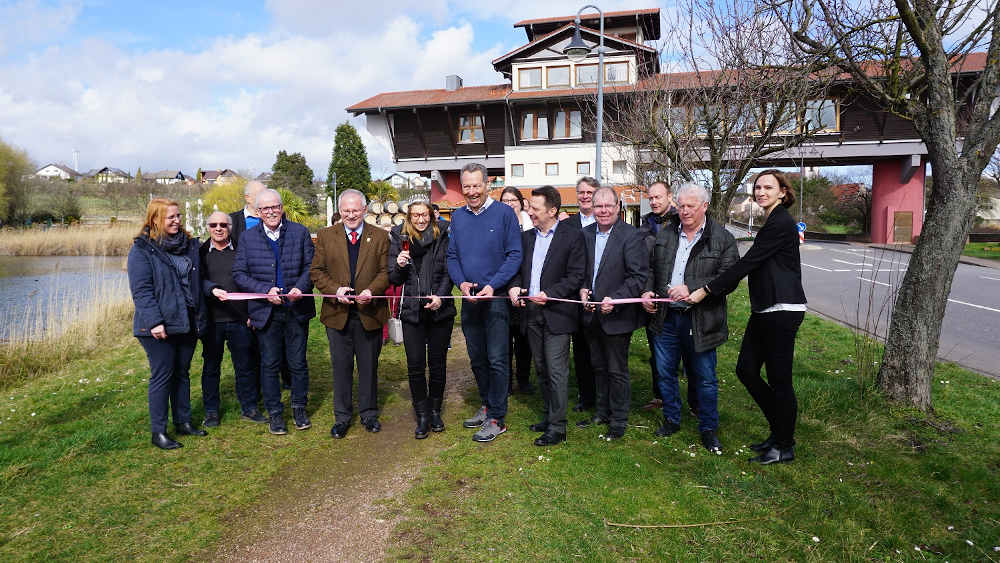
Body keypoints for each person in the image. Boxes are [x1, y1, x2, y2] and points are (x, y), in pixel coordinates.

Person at [687, 169, 807, 464]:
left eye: (768, 187)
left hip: (782, 310)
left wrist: (707, 290)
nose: (761, 191)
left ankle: (784, 445)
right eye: (758, 187)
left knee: (780, 381)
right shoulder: (773, 222)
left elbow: (749, 263)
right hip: (764, 310)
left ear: (783, 192)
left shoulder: (781, 223)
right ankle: (779, 431)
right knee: (746, 370)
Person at [641, 182, 739, 453]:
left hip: (701, 318)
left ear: (704, 206)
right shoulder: (666, 233)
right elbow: (652, 268)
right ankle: (672, 419)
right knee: (665, 372)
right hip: (665, 318)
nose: (684, 211)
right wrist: (648, 290)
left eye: (690, 206)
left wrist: (692, 286)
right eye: (681, 205)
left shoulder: (722, 238)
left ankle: (708, 427)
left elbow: (729, 277)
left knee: (705, 378)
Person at [447, 162, 523, 442]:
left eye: (476, 185)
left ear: (487, 185)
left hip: (496, 299)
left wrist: (494, 285)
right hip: (470, 300)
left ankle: (497, 418)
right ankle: (487, 403)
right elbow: (452, 256)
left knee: (497, 360)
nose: (471, 191)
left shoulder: (504, 214)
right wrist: (461, 283)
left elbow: (515, 255)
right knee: (477, 359)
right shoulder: (457, 217)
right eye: (466, 186)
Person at [232, 188, 315, 436]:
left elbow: (312, 267)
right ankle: (275, 414)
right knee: (269, 364)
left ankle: (299, 408)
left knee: (298, 362)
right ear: (258, 213)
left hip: (296, 309)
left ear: (282, 209)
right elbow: (239, 274)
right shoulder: (248, 238)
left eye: (275, 207)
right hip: (265, 311)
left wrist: (300, 288)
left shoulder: (299, 233)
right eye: (265, 209)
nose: (271, 212)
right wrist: (264, 290)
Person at [127, 198, 209, 450]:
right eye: (170, 217)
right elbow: (141, 291)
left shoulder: (189, 245)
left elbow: (197, 280)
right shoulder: (142, 250)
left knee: (182, 374)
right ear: (154, 220)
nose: (177, 220)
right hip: (158, 326)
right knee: (163, 375)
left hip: (186, 321)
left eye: (178, 216)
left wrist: (213, 290)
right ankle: (159, 432)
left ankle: (183, 422)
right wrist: (154, 322)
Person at [508, 186, 585, 446]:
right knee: (541, 369)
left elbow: (575, 276)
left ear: (552, 211)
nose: (530, 212)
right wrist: (516, 286)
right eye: (529, 208)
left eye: (535, 209)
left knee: (556, 371)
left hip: (557, 314)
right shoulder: (527, 238)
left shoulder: (572, 237)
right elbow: (520, 270)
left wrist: (549, 293)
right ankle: (549, 416)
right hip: (531, 314)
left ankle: (558, 428)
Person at [311, 189, 391, 439]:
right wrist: (335, 291)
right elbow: (317, 271)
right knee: (341, 367)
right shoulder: (325, 236)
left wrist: (371, 290)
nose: (351, 215)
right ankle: (342, 417)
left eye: (355, 210)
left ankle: (369, 414)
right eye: (346, 210)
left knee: (368, 367)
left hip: (369, 313)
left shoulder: (379, 236)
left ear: (365, 210)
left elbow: (385, 272)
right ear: (340, 211)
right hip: (338, 313)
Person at [578, 187, 649, 439]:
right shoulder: (585, 234)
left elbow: (638, 276)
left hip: (617, 315)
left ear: (618, 207)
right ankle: (602, 411)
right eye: (599, 206)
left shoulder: (631, 236)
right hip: (591, 313)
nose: (604, 211)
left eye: (608, 206)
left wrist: (616, 299)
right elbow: (581, 271)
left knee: (616, 369)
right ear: (592, 208)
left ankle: (618, 420)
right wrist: (583, 289)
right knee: (597, 365)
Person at [388, 200, 456, 439]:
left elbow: (450, 270)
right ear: (409, 217)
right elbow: (393, 279)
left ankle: (435, 411)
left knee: (437, 363)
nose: (420, 219)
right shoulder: (398, 237)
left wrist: (441, 296)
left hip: (440, 309)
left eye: (424, 215)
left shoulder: (444, 235)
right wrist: (398, 265)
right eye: (415, 215)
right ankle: (422, 415)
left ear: (431, 216)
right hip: (411, 312)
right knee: (415, 365)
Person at [199, 211, 265, 426]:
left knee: (245, 366)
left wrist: (251, 315)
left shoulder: (242, 251)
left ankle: (250, 408)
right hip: (212, 321)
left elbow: (252, 281)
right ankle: (211, 412)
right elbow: (195, 283)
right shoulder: (199, 253)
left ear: (230, 227)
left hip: (240, 320)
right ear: (208, 227)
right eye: (214, 225)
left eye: (223, 225)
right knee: (211, 368)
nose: (218, 229)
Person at [231, 179, 291, 390]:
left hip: (282, 298)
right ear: (250, 200)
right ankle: (256, 391)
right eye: (260, 198)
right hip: (248, 297)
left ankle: (286, 381)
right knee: (254, 352)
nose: (269, 208)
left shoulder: (282, 222)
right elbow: (237, 268)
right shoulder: (234, 223)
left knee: (281, 351)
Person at [561, 176, 599, 414]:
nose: (585, 196)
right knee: (582, 350)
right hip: (574, 297)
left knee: (601, 351)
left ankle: (603, 397)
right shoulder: (567, 225)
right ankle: (586, 397)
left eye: (589, 192)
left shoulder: (607, 222)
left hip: (600, 294)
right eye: (581, 192)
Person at [638, 180, 676, 412]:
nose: (653, 201)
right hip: (653, 295)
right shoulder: (645, 225)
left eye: (658, 197)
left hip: (678, 294)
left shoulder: (680, 221)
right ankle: (659, 395)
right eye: (650, 198)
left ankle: (693, 401)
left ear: (669, 197)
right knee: (656, 351)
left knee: (685, 354)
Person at [499, 186, 534, 395]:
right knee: (503, 339)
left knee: (523, 338)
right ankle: (506, 381)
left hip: (525, 286)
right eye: (505, 200)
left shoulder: (530, 225)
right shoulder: (497, 224)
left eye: (513, 200)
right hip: (503, 287)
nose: (510, 203)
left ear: (521, 202)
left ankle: (523, 379)